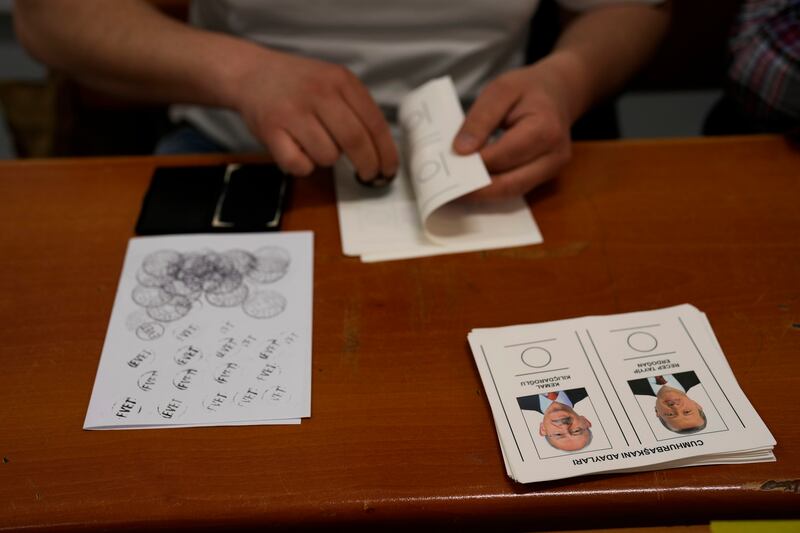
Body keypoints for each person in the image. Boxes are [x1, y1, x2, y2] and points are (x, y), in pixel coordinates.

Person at [14, 0, 669, 198]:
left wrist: (566, 77)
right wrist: (242, 74)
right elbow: (48, 16)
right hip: (237, 142)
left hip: (484, 147)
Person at [628, 371, 707, 434]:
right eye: (687, 411)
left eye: (670, 414)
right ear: (697, 405)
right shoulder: (698, 373)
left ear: (657, 412)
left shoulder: (628, 387)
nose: (675, 407)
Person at [518, 388, 593, 452]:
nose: (564, 426)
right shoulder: (589, 385)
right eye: (576, 431)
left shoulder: (515, 402)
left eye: (558, 434)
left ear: (543, 429)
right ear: (585, 421)